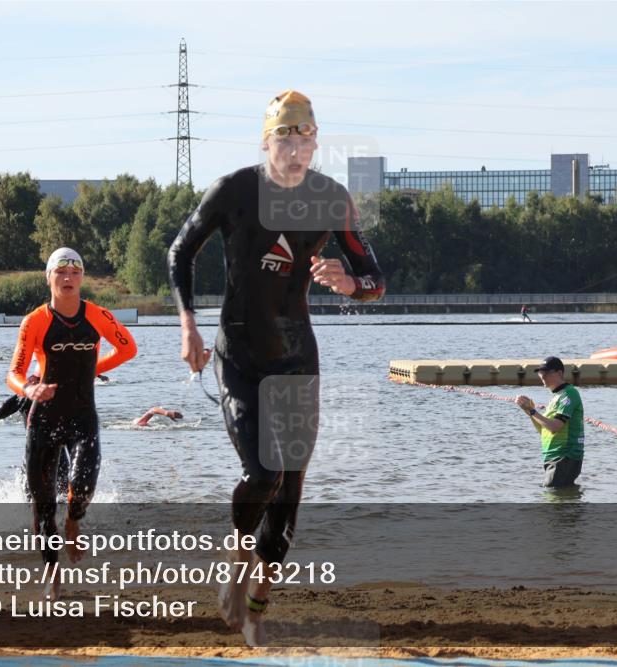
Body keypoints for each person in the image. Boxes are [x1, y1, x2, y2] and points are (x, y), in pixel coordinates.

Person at [167, 90, 385, 646]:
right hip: (238, 357)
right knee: (262, 475)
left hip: (296, 361)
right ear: (266, 142)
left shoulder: (331, 199)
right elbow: (179, 251)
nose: (295, 148)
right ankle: (235, 563)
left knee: (286, 510)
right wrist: (188, 324)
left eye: (305, 137)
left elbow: (376, 280)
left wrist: (349, 283)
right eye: (284, 137)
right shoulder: (234, 191)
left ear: (316, 144)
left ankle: (255, 617)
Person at [6, 247, 137, 598]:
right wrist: (29, 392)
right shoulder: (34, 321)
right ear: (49, 278)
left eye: (75, 272)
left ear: (82, 278)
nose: (68, 278)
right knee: (43, 503)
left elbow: (128, 349)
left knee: (82, 486)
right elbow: (15, 374)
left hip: (83, 417)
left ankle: (74, 521)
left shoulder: (98, 316)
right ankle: (53, 577)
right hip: (43, 420)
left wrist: (93, 368)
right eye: (60, 272)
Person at [514, 356, 584, 488]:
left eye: (547, 372)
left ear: (560, 373)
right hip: (553, 457)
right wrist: (528, 410)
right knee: (560, 500)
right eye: (541, 373)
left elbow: (555, 427)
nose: (542, 376)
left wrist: (533, 412)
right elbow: (543, 430)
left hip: (564, 456)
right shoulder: (556, 397)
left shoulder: (568, 394)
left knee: (552, 498)